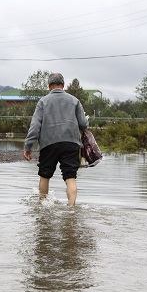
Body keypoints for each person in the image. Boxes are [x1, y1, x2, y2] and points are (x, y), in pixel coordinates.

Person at [23, 73, 89, 206]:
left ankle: (42, 208)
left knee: (45, 175)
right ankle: (71, 209)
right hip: (71, 143)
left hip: (49, 144)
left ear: (49, 86)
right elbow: (83, 124)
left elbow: (35, 126)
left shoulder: (43, 101)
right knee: (70, 177)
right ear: (63, 85)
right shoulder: (75, 101)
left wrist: (28, 146)